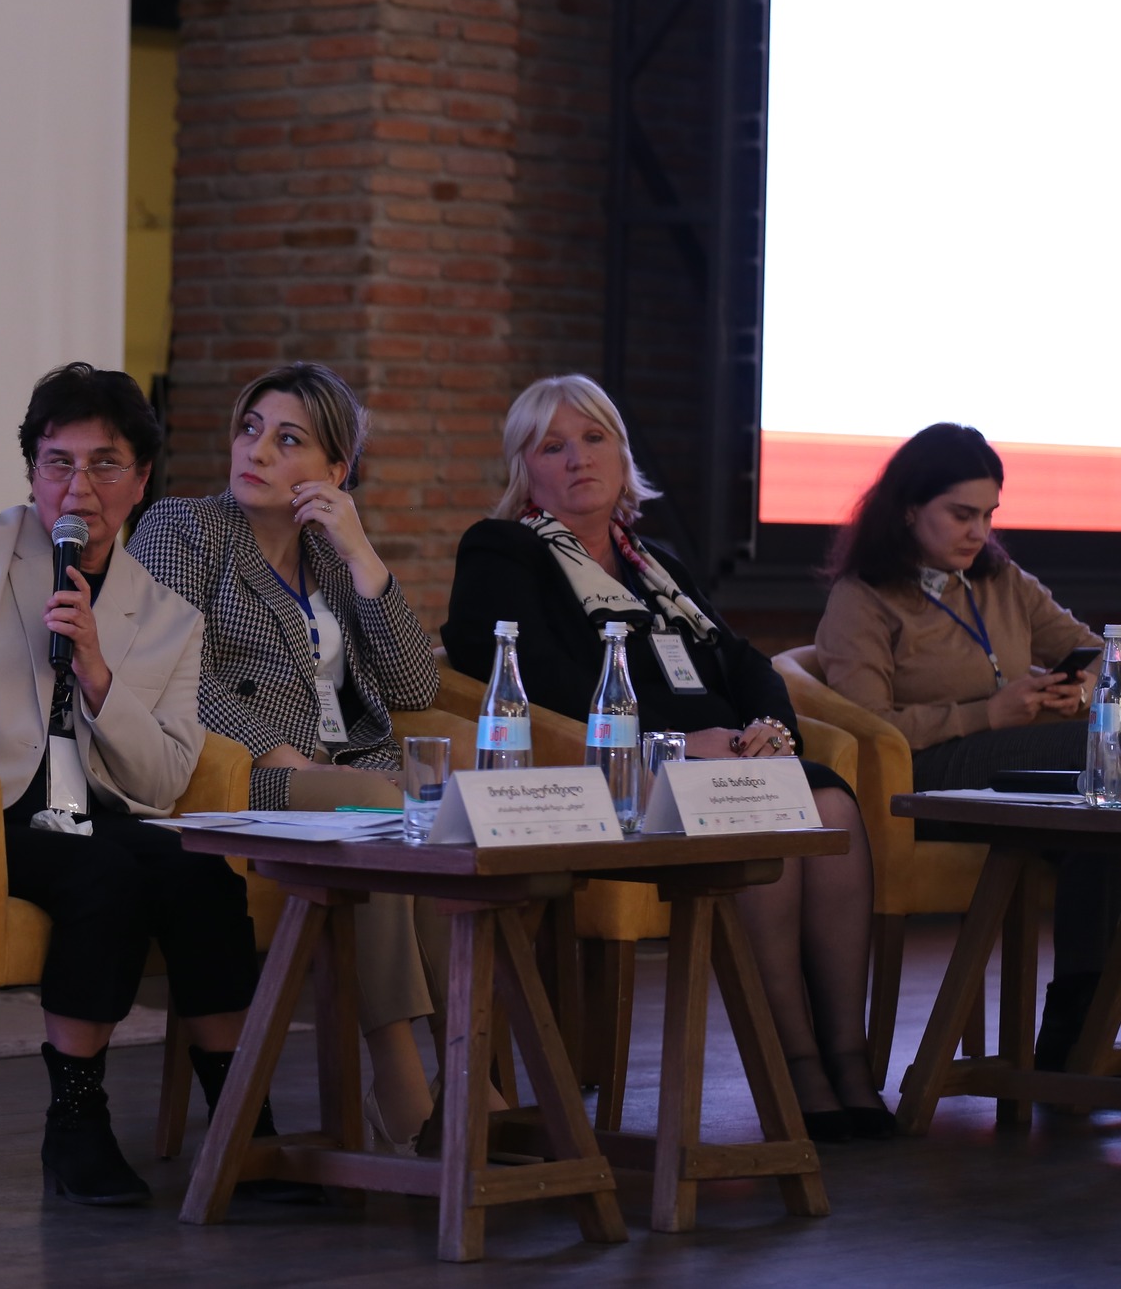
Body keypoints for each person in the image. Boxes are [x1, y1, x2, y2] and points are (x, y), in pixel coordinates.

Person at [0, 363, 273, 1206]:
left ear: (142, 479)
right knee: (102, 871)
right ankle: (76, 1123)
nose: (78, 487)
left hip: (91, 805)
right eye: (58, 463)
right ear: (32, 473)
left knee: (198, 870)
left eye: (104, 464)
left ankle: (243, 1121)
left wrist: (96, 671)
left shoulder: (168, 616)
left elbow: (164, 778)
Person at [442, 373, 889, 1140]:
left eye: (595, 438)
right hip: (619, 773)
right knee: (763, 812)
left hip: (723, 756)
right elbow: (538, 679)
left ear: (622, 456)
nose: (579, 458)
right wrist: (672, 744)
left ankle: (849, 1061)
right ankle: (796, 1068)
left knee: (830, 802)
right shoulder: (503, 550)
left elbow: (743, 661)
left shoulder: (656, 564)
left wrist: (769, 729)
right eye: (552, 446)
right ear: (525, 469)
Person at [129, 361, 450, 1154]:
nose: (258, 450)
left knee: (450, 808)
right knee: (381, 805)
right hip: (245, 777)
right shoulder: (183, 528)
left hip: (355, 772)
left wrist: (361, 552)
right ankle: (398, 1072)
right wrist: (286, 756)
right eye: (250, 429)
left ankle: (471, 1070)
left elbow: (414, 684)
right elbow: (176, 674)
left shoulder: (330, 556)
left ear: (334, 471)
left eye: (288, 439)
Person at [815, 422, 1107, 1068]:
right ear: (909, 508)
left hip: (1021, 771)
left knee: (1104, 828)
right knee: (1098, 759)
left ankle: (1078, 1028)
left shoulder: (1003, 582)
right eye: (962, 514)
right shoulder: (862, 598)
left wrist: (1081, 691)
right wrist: (988, 714)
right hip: (924, 777)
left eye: (989, 515)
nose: (979, 532)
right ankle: (1076, 1031)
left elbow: (1097, 654)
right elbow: (869, 725)